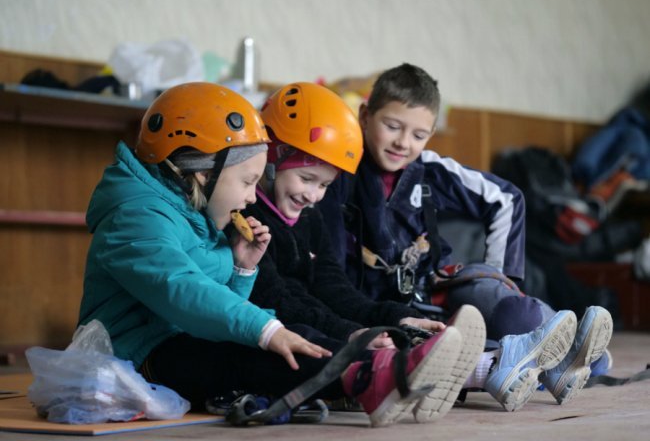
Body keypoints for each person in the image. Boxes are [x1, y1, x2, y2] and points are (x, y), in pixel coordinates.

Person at [77, 81, 475, 428]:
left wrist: (240, 269)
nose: (252, 196)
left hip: (178, 340)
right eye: (248, 181)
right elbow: (181, 290)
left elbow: (214, 300)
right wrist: (266, 330)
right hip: (136, 358)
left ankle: (383, 372)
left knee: (275, 339)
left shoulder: (194, 213)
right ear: (204, 173)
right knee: (255, 349)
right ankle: (371, 377)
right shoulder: (135, 215)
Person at [244, 82, 583, 413]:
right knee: (325, 338)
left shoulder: (309, 215)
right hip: (287, 330)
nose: (314, 195)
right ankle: (491, 366)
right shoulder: (250, 222)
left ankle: (546, 359)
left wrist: (396, 318)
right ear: (271, 156)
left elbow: (334, 288)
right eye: (307, 179)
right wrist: (355, 333)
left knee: (460, 312)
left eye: (324, 185)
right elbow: (281, 301)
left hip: (382, 302)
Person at [317, 64, 613, 408]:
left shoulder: (430, 171)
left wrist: (503, 280)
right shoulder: (337, 175)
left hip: (434, 290)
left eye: (418, 134)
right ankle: (552, 362)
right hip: (380, 311)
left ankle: (568, 355)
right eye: (392, 126)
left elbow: (507, 199)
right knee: (441, 347)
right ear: (365, 116)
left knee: (519, 314)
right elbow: (328, 276)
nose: (403, 143)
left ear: (431, 133)